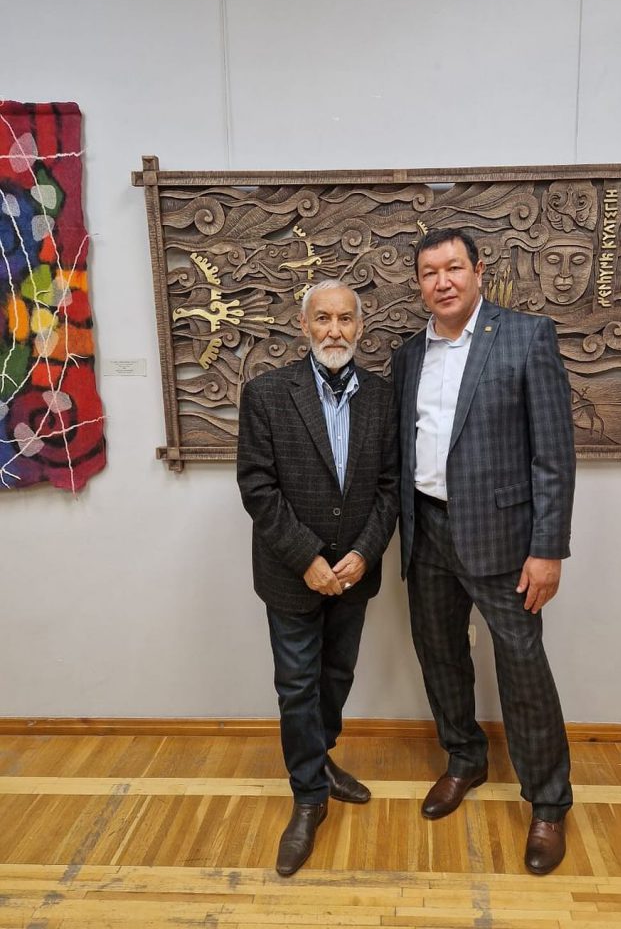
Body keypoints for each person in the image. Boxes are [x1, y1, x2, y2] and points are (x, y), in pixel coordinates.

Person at [392, 228, 575, 875]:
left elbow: (553, 456)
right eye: (429, 272)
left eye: (453, 268)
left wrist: (547, 549)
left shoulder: (526, 337)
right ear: (419, 284)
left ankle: (548, 802)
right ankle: (465, 759)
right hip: (426, 530)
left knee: (523, 670)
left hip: (504, 541)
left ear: (477, 271)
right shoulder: (408, 355)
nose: (442, 281)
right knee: (440, 657)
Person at [237, 279, 398, 876]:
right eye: (323, 319)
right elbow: (257, 487)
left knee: (336, 674)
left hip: (354, 571)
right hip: (291, 573)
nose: (335, 330)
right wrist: (306, 557)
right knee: (298, 685)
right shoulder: (267, 394)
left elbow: (390, 487)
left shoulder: (382, 397)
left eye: (345, 319)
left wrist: (365, 552)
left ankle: (320, 756)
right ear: (303, 326)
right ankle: (308, 796)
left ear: (361, 326)